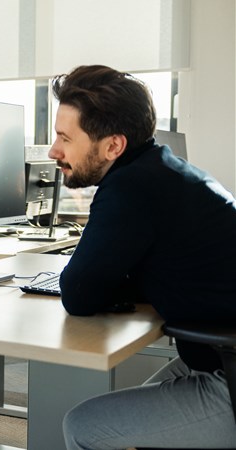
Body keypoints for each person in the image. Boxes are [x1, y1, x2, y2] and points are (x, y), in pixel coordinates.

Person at [50, 65, 236, 449]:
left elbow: (79, 294)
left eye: (64, 138)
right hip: (219, 354)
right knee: (136, 424)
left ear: (113, 146)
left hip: (226, 371)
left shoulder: (130, 189)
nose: (54, 151)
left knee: (84, 427)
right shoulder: (167, 170)